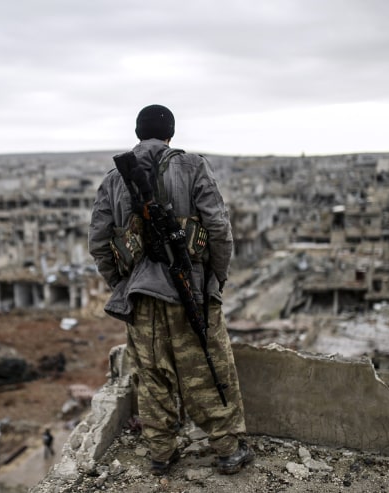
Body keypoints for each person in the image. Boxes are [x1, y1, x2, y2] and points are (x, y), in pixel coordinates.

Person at [88, 104, 254, 476]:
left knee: (153, 376)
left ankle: (161, 453)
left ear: (137, 133)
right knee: (206, 371)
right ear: (171, 134)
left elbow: (99, 244)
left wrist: (123, 284)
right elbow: (219, 230)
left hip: (141, 298)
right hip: (189, 290)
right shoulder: (193, 166)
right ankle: (228, 448)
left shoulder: (114, 179)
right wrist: (215, 280)